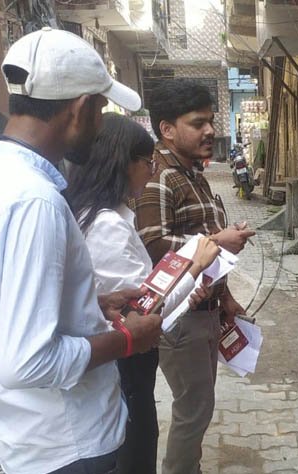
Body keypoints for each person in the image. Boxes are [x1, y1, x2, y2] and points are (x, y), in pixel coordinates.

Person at [0, 28, 163, 474]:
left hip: (33, 436)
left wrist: (91, 304)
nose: (101, 125)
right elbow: (26, 362)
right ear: (80, 108)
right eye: (100, 110)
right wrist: (129, 339)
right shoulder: (35, 202)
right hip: (70, 443)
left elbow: (6, 298)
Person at [64, 113, 222, 474]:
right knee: (137, 449)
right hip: (124, 363)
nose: (151, 172)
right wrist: (195, 266)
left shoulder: (109, 215)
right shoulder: (105, 226)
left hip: (128, 362)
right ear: (124, 163)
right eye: (147, 163)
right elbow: (145, 309)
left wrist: (188, 288)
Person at [135, 78, 256, 474]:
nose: (210, 131)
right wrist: (218, 241)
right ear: (167, 129)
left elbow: (202, 241)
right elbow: (153, 245)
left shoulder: (191, 173)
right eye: (197, 123)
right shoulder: (160, 176)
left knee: (199, 405)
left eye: (211, 121)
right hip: (181, 314)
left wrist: (226, 298)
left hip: (205, 310)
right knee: (194, 408)